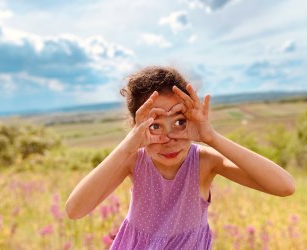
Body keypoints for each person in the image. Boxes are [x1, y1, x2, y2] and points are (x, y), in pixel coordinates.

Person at [65, 66, 295, 249]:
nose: (169, 138)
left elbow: (285, 186)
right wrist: (128, 146)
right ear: (137, 126)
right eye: (154, 125)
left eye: (180, 122)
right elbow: (75, 210)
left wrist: (212, 137)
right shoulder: (134, 160)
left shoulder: (205, 161)